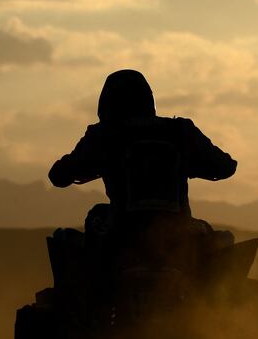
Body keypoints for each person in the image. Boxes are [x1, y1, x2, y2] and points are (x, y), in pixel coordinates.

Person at [48, 69, 236, 234]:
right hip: (178, 233)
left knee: (74, 234)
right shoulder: (181, 130)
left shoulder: (102, 135)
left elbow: (58, 175)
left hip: (121, 231)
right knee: (219, 241)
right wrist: (191, 165)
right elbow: (226, 167)